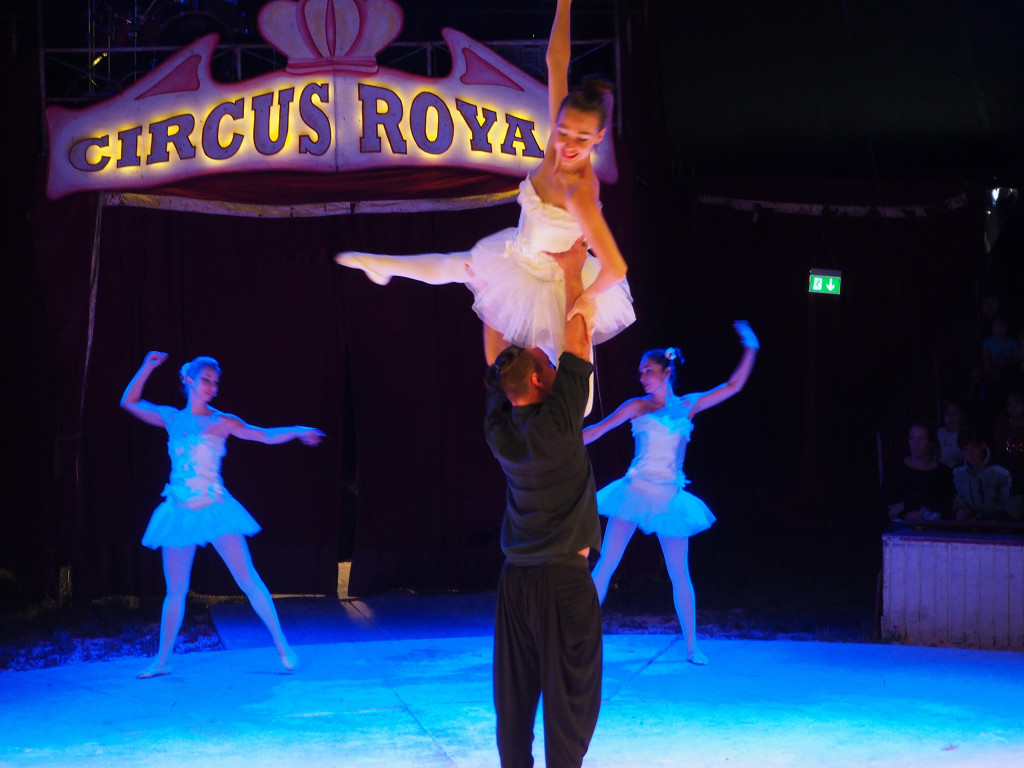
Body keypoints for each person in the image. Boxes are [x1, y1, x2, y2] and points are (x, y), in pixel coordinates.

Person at [336, 0, 633, 370]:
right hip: (518, 258)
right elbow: (556, 61)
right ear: (557, 123)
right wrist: (564, 3)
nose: (569, 144)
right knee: (457, 265)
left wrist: (588, 298)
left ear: (599, 137)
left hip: (554, 285)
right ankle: (382, 266)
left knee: (574, 383)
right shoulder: (556, 148)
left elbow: (615, 268)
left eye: (582, 138)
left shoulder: (579, 193)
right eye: (564, 131)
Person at [121, 352, 325, 678]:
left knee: (248, 579)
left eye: (215, 383)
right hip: (180, 510)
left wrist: (298, 430)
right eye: (206, 380)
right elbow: (129, 402)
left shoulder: (222, 421)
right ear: (188, 380)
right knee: (175, 591)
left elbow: (263, 435)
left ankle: (282, 646)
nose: (212, 387)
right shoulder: (171, 418)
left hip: (215, 508)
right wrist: (146, 367)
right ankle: (162, 661)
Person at [483, 238, 601, 768]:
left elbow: (498, 362)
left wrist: (497, 291)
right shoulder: (558, 422)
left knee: (513, 700)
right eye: (545, 362)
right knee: (569, 700)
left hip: (516, 584)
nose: (552, 360)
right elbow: (578, 335)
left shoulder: (501, 430)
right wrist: (573, 272)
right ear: (537, 379)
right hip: (561, 583)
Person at [581, 324, 759, 666]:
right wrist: (558, 442)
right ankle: (578, 634)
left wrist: (750, 347)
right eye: (640, 372)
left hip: (668, 498)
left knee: (680, 573)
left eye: (648, 370)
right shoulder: (637, 406)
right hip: (634, 492)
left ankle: (691, 647)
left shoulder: (688, 405)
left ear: (667, 372)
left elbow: (733, 386)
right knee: (607, 564)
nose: (642, 377)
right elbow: (597, 430)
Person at [881, 421, 953, 522]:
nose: (916, 443)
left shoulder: (943, 473)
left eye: (921, 438)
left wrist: (907, 504)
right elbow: (886, 506)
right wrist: (906, 515)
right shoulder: (896, 470)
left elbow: (945, 506)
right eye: (912, 438)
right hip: (900, 528)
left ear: (931, 442)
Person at [952, 425, 1020, 522]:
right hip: (969, 526)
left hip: (1001, 527)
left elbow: (1015, 507)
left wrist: (982, 520)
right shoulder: (957, 472)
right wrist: (960, 510)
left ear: (983, 445)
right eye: (965, 449)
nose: (970, 454)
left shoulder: (1004, 470)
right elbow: (958, 499)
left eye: (974, 447)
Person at [937, 399, 965, 468]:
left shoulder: (966, 434)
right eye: (947, 414)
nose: (950, 418)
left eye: (955, 414)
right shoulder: (938, 433)